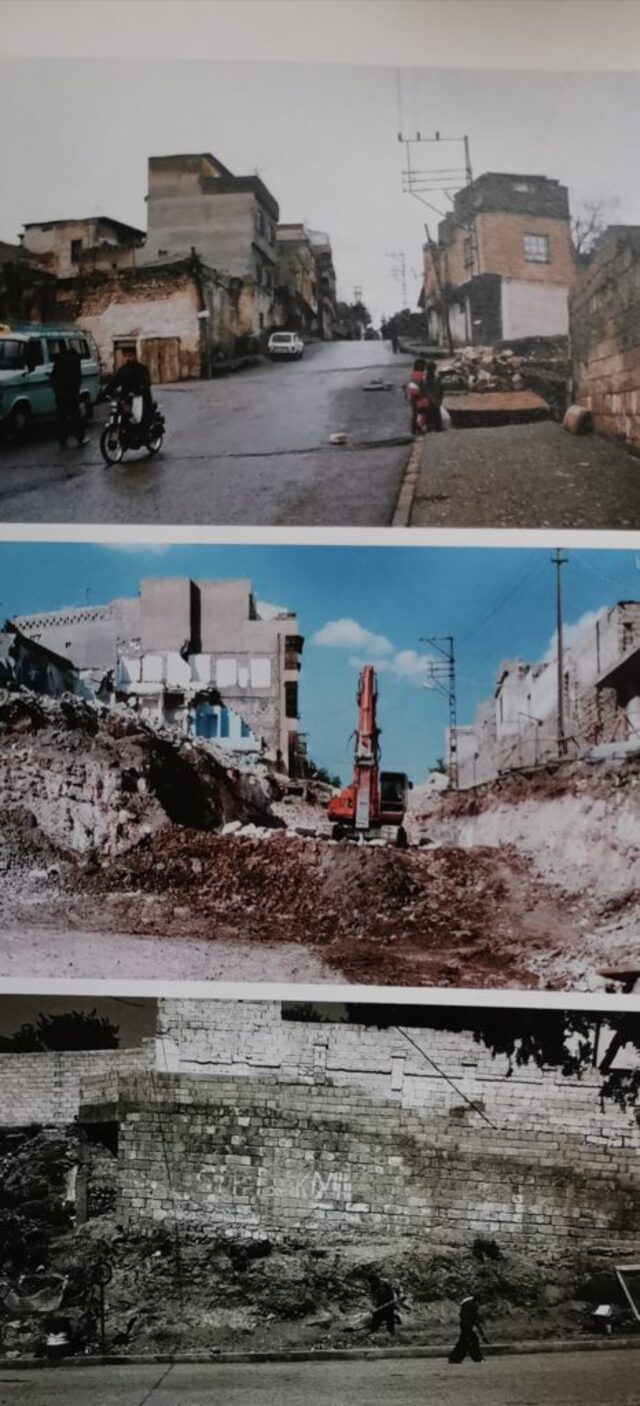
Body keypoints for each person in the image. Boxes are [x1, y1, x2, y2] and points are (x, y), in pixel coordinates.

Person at [50, 345, 88, 448]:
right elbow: (77, 378)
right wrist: (76, 391)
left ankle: (62, 440)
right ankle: (80, 438)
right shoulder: (75, 362)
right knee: (76, 418)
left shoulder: (58, 362)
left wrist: (56, 390)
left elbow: (53, 378)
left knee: (62, 419)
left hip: (61, 395)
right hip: (72, 395)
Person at [104, 346, 153, 425]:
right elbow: (114, 382)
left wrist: (139, 391)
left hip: (141, 398)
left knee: (142, 422)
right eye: (125, 356)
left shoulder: (142, 369)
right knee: (121, 414)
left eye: (130, 356)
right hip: (126, 399)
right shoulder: (122, 370)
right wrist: (106, 393)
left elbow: (146, 383)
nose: (127, 358)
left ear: (135, 356)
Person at [448, 1294, 488, 1364]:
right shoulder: (472, 1305)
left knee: (464, 1342)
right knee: (473, 1341)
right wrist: (481, 1333)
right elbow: (474, 1319)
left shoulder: (469, 1303)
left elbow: (473, 1319)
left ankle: (455, 1358)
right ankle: (477, 1358)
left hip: (465, 1325)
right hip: (467, 1326)